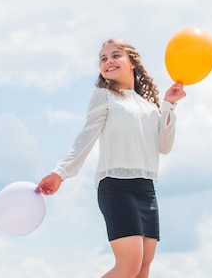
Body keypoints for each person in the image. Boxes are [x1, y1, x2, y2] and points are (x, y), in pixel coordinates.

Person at [36, 38, 186, 278]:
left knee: (143, 268)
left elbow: (164, 146)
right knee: (128, 266)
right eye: (103, 59)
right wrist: (60, 173)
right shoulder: (104, 96)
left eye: (115, 55)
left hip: (146, 188)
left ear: (132, 62)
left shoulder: (149, 105)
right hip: (116, 186)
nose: (108, 62)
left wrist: (169, 105)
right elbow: (85, 137)